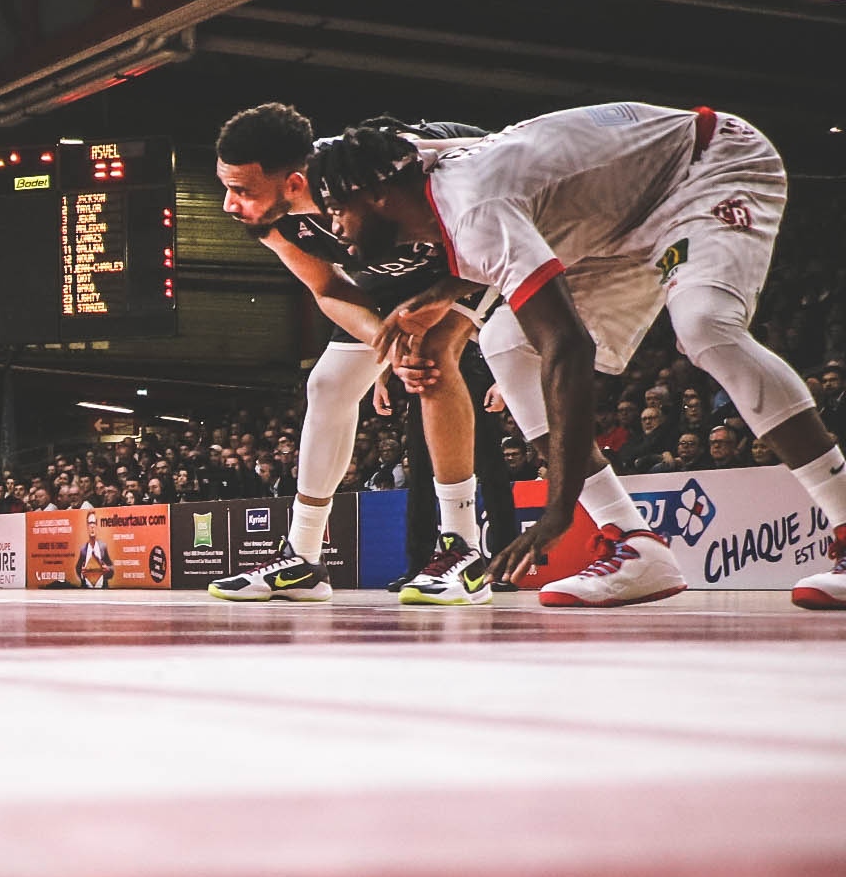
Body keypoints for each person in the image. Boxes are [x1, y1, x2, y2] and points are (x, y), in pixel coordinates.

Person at [310, 104, 846, 608]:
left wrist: (558, 508)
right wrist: (444, 290)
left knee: (705, 326)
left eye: (336, 209)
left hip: (706, 167)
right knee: (504, 341)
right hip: (620, 217)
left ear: (374, 193)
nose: (334, 228)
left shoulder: (472, 205)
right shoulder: (416, 170)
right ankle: (634, 542)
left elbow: (567, 344)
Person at [208, 103, 495, 606]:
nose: (230, 205)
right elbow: (326, 288)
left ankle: (464, 546)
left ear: (295, 183)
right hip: (398, 272)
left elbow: (497, 233)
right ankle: (302, 558)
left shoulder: (387, 172)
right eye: (227, 187)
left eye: (243, 191)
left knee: (429, 357)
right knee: (329, 385)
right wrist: (385, 339)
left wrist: (422, 325)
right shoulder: (273, 220)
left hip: (478, 245)